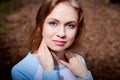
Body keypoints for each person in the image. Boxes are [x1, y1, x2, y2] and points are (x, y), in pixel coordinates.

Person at [11, 0, 93, 80]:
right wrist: (49, 72)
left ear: (77, 30)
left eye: (70, 25)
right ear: (40, 26)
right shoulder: (22, 71)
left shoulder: (79, 62)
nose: (62, 34)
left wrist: (85, 76)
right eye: (53, 23)